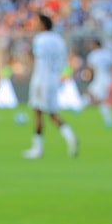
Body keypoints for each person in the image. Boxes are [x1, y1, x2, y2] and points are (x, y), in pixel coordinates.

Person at [22, 13, 78, 159]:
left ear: (43, 25)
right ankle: (71, 137)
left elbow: (37, 59)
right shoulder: (59, 40)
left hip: (41, 79)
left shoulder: (40, 39)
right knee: (52, 113)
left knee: (38, 112)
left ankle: (37, 149)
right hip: (55, 79)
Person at [83, 39, 112, 128]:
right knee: (91, 93)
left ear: (95, 45)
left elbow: (90, 69)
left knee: (100, 99)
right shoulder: (108, 53)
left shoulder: (93, 55)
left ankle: (109, 120)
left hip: (100, 78)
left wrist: (86, 75)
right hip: (107, 78)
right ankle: (80, 107)